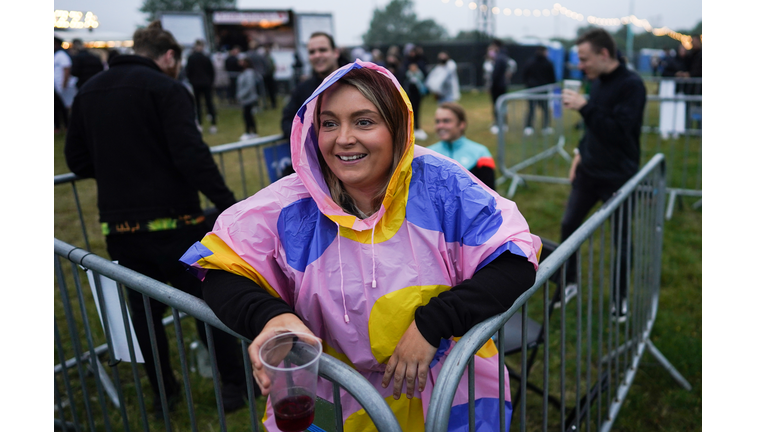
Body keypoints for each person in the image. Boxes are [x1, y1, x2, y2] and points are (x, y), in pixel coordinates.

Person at [179, 60, 541, 431]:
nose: (343, 138)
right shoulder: (289, 205)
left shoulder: (443, 185)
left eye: (364, 121)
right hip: (334, 402)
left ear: (396, 128)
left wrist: (436, 322)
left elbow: (514, 259)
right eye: (329, 123)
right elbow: (220, 268)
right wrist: (271, 318)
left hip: (444, 398)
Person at [64, 20, 250, 418]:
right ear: (169, 57)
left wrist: (120, 168)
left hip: (121, 230)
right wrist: (230, 204)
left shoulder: (88, 91)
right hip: (178, 223)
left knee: (146, 316)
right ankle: (235, 385)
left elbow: (77, 160)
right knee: (208, 305)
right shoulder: (167, 89)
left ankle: (164, 393)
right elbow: (191, 155)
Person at [560, 28, 646, 319]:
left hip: (618, 176)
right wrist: (578, 154)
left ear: (604, 54)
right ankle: (569, 282)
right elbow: (594, 130)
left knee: (621, 240)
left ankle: (619, 299)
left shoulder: (632, 85)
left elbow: (621, 133)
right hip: (588, 172)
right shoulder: (595, 82)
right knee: (568, 227)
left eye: (584, 59)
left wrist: (585, 107)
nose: (580, 65)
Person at [279, 32, 344, 176]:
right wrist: (309, 139)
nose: (317, 55)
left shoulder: (356, 81)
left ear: (335, 52)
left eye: (323, 50)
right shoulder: (302, 89)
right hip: (317, 170)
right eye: (312, 52)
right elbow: (287, 121)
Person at [428, 102, 496, 190]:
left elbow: (491, 195)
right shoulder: (427, 154)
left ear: (461, 124)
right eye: (437, 121)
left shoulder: (480, 154)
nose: (440, 126)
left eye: (446, 121)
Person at [521, 46, 557, 136]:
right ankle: (544, 127)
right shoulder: (548, 63)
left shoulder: (530, 62)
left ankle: (529, 127)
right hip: (543, 90)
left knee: (532, 109)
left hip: (533, 89)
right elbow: (552, 78)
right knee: (543, 109)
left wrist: (528, 85)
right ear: (544, 52)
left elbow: (524, 75)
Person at [185, 39, 218, 134]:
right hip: (204, 84)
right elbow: (211, 72)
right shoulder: (204, 57)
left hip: (198, 84)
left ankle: (203, 124)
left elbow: (188, 71)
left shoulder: (193, 58)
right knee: (206, 104)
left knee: (201, 104)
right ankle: (211, 124)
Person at [489, 39, 517, 134]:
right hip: (502, 85)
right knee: (502, 105)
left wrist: (492, 85)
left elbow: (496, 74)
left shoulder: (500, 57)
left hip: (498, 86)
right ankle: (503, 124)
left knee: (498, 106)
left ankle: (499, 124)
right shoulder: (503, 56)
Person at [236, 58, 259, 141]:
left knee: (248, 116)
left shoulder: (249, 73)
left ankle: (250, 132)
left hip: (248, 99)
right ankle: (251, 132)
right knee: (248, 116)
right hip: (245, 99)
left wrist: (241, 95)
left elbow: (249, 86)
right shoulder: (244, 73)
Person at [405, 62, 428, 140]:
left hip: (417, 97)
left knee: (416, 112)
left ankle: (417, 128)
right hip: (409, 97)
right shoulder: (407, 75)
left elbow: (422, 85)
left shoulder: (419, 75)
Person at [54, 35, 72, 133]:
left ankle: (65, 126)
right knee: (58, 106)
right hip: (57, 85)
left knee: (62, 107)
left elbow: (66, 69)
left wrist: (64, 84)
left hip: (60, 86)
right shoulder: (58, 54)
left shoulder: (61, 54)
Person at [261, 44, 278, 108]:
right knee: (267, 91)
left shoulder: (268, 57)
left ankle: (272, 103)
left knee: (271, 91)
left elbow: (272, 67)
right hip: (267, 76)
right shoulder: (265, 57)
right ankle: (268, 104)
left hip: (269, 76)